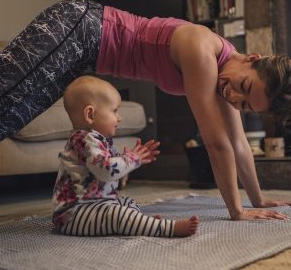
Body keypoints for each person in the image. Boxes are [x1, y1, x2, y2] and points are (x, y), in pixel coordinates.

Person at [0, 0, 291, 244]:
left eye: (246, 104)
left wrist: (260, 200)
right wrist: (237, 212)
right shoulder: (204, 49)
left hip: (79, 56)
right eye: (243, 87)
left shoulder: (227, 73)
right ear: (251, 58)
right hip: (77, 27)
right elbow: (217, 142)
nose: (234, 97)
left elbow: (240, 143)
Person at [52, 76, 198, 237]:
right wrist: (133, 159)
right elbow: (106, 170)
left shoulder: (96, 140)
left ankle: (140, 223)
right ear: (90, 115)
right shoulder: (85, 140)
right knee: (116, 214)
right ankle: (166, 228)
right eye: (114, 111)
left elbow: (110, 171)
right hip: (74, 214)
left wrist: (128, 158)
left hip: (95, 205)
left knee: (127, 203)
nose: (119, 117)